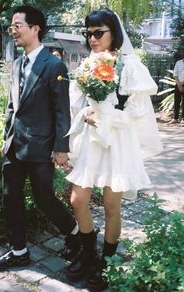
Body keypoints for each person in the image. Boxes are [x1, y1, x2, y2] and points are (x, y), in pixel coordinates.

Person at [65, 9, 163, 290]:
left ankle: (105, 262)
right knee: (78, 200)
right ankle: (87, 252)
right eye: (88, 33)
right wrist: (86, 114)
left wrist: (106, 119)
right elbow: (78, 100)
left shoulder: (130, 64)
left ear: (113, 32)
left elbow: (137, 111)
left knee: (111, 205)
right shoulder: (88, 63)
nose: (92, 39)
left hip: (117, 141)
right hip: (91, 140)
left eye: (98, 33)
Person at [0, 4, 81, 270]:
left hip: (41, 146)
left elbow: (62, 111)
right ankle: (18, 251)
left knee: (44, 199)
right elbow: (12, 106)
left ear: (35, 29)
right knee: (10, 197)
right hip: (14, 146)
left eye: (18, 26)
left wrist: (61, 148)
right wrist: (6, 138)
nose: (13, 31)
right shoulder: (17, 64)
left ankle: (74, 232)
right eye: (11, 27)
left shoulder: (54, 66)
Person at [168, 54, 184, 125]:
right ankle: (175, 118)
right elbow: (175, 74)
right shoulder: (178, 62)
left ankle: (183, 119)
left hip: (181, 82)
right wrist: (179, 84)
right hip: (178, 84)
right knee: (176, 101)